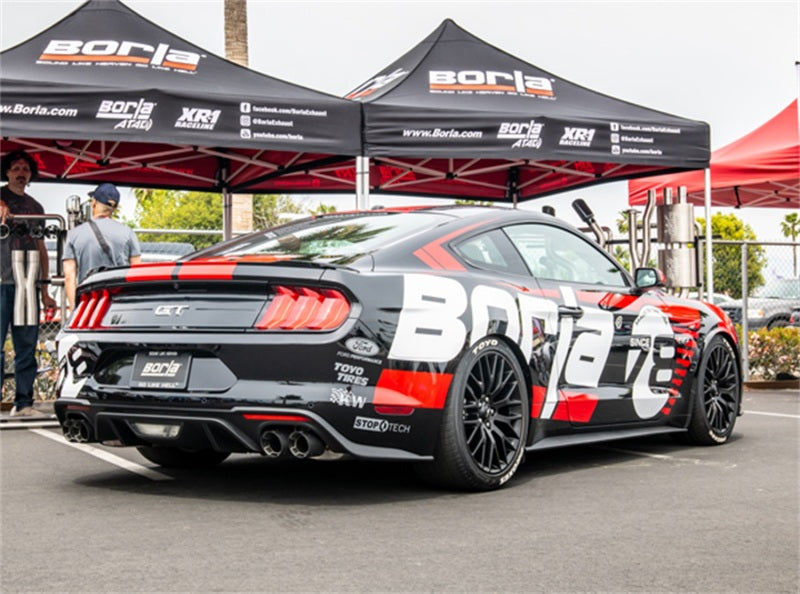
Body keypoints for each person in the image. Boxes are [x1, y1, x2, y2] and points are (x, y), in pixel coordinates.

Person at [0, 150, 57, 417]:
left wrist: (45, 289)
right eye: (16, 168)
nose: (21, 173)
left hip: (28, 283)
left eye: (25, 169)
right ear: (7, 172)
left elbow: (42, 248)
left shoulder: (36, 207)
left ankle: (24, 403)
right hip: (2, 281)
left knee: (26, 346)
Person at [63, 183, 142, 310]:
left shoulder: (74, 234)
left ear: (94, 203)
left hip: (88, 303)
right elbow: (137, 271)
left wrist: (74, 309)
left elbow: (69, 276)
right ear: (115, 208)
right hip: (119, 303)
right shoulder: (128, 233)